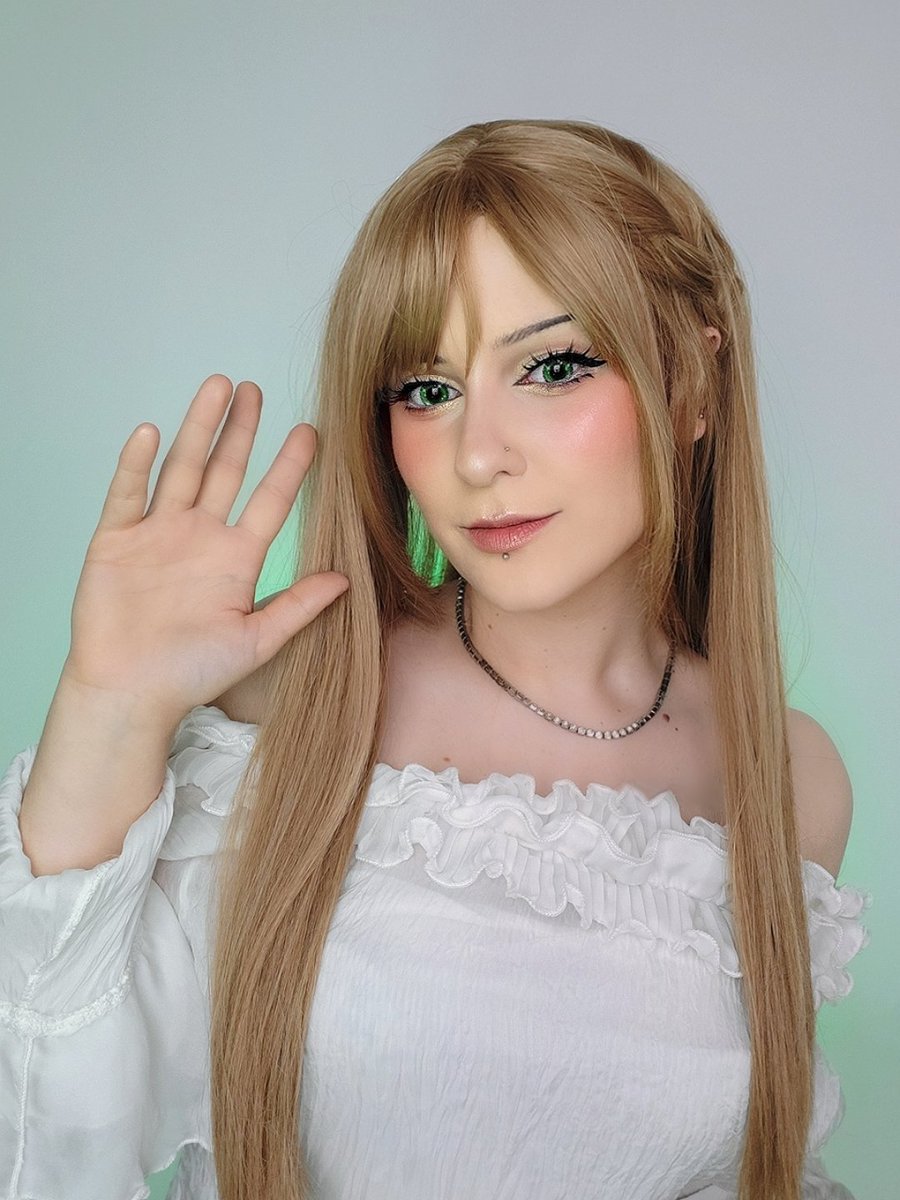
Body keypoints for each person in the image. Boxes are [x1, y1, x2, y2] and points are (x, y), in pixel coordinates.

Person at [0, 119, 872, 1200]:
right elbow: (47, 1132)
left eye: (553, 367)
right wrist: (108, 708)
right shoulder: (294, 704)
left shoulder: (791, 777)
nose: (476, 455)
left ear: (692, 383)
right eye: (427, 388)